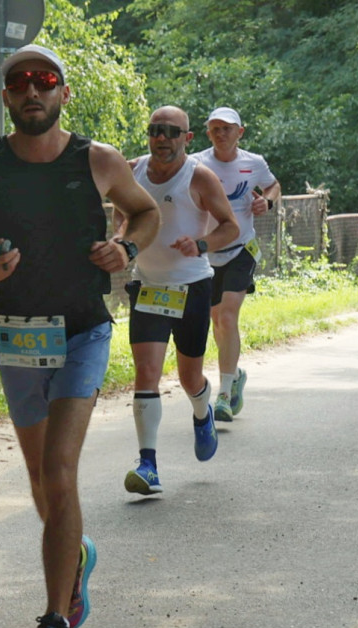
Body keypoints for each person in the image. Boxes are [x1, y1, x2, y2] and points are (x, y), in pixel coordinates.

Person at [0, 45, 159, 628]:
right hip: (17, 338)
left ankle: (53, 623)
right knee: (42, 484)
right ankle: (76, 556)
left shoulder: (99, 160)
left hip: (84, 332)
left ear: (63, 92)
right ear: (6, 96)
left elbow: (145, 212)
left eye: (45, 81)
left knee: (59, 473)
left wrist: (126, 249)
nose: (32, 90)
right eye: (19, 82)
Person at [118, 106, 239, 496]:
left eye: (172, 132)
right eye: (156, 130)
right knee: (147, 372)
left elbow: (230, 227)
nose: (162, 138)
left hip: (191, 287)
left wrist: (201, 244)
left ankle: (201, 414)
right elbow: (123, 218)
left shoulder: (199, 177)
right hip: (149, 285)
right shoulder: (132, 171)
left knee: (189, 377)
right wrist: (122, 243)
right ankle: (148, 464)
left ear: (187, 138)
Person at [193, 107, 279, 421]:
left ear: (240, 132)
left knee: (227, 317)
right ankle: (235, 374)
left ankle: (225, 394)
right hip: (206, 252)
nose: (221, 134)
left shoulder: (253, 163)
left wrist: (266, 200)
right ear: (208, 133)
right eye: (215, 128)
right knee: (216, 320)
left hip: (242, 248)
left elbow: (273, 185)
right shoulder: (196, 163)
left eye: (227, 128)